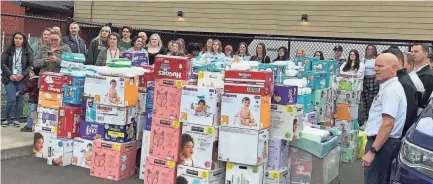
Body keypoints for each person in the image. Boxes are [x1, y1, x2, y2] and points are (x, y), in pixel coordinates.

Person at [362, 53, 406, 184]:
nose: (376, 69)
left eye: (380, 66)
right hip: (384, 144)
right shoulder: (389, 87)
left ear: (393, 68)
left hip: (381, 145)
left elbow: (388, 124)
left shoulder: (391, 90)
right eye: (375, 65)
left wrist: (372, 151)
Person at [382, 47, 417, 137]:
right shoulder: (396, 80)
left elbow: (407, 116)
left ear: (396, 62)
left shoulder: (404, 84)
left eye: (383, 64)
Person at [1, 32, 34, 127]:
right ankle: (7, 119)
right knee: (11, 99)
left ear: (23, 40)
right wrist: (10, 74)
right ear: (13, 39)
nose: (18, 40)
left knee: (20, 99)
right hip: (10, 78)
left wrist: (23, 75)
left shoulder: (28, 51)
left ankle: (16, 120)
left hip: (22, 79)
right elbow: (3, 63)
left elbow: (30, 65)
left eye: (20, 38)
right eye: (16, 38)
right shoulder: (8, 50)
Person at [360, 45, 379, 128]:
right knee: (365, 101)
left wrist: (375, 78)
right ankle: (365, 120)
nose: (369, 51)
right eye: (368, 49)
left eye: (371, 49)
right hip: (364, 80)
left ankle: (371, 122)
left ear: (374, 51)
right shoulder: (363, 60)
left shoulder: (376, 60)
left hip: (373, 81)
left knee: (371, 101)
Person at [411, 43, 433, 110]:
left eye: (416, 51)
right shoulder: (411, 72)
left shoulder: (429, 75)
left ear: (425, 54)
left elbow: (425, 100)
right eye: (412, 51)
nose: (413, 54)